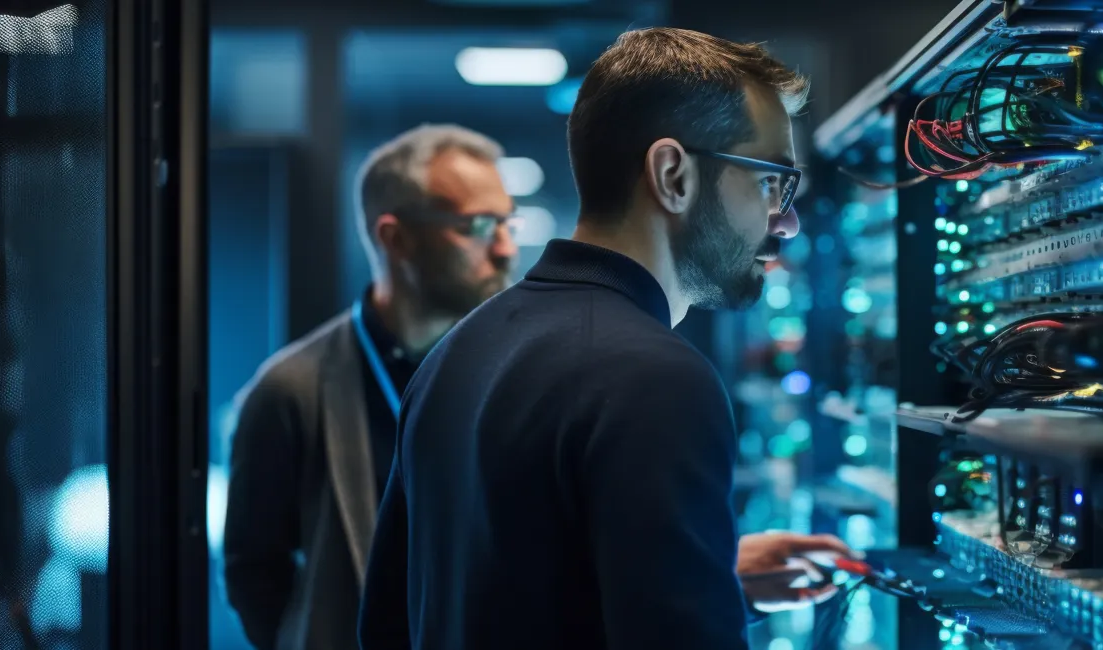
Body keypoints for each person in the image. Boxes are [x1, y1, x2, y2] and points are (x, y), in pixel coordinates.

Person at [359, 28, 855, 650]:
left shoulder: (455, 355)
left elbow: (388, 623)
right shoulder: (659, 380)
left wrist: (706, 577)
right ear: (673, 174)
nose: (787, 219)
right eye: (770, 181)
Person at [223, 124, 518, 650]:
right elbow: (253, 573)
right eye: (478, 225)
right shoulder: (290, 390)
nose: (505, 249)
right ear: (394, 237)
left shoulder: (508, 374)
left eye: (506, 223)